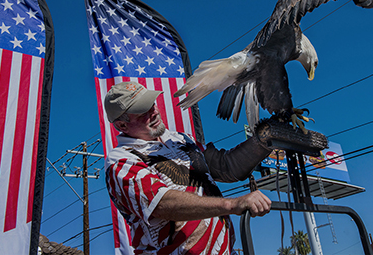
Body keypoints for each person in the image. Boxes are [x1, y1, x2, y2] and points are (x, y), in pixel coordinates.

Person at [104, 81, 275, 254]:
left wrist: (265, 140)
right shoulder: (121, 161)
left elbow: (226, 167)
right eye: (143, 111)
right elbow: (162, 203)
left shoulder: (181, 139)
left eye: (151, 104)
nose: (154, 112)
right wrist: (232, 204)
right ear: (122, 125)